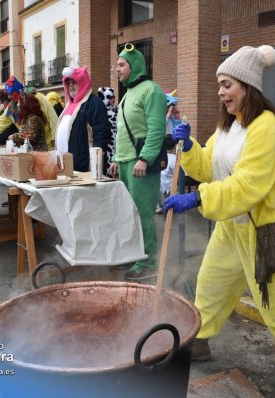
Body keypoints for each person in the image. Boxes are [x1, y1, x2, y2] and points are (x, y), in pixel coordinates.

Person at [163, 45, 275, 397]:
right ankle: (199, 340)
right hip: (232, 227)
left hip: (265, 230)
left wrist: (199, 197)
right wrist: (189, 148)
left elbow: (249, 186)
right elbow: (208, 166)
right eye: (219, 85)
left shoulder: (267, 128)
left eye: (226, 84)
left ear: (247, 86)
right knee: (211, 284)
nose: (220, 92)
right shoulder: (228, 127)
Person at [109, 43, 167, 281]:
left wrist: (145, 158)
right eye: (117, 66)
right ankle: (135, 256)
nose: (117, 70)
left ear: (135, 66)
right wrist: (115, 158)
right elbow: (122, 131)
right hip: (124, 161)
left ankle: (148, 261)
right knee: (128, 214)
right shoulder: (127, 95)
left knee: (143, 214)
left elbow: (156, 129)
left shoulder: (151, 90)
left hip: (140, 163)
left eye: (121, 65)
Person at [55, 66, 110, 172]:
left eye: (74, 82)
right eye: (68, 83)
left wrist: (94, 165)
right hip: (66, 168)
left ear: (83, 82)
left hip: (84, 168)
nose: (70, 86)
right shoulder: (69, 104)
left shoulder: (94, 103)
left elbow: (101, 135)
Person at [0, 76, 58, 149]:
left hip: (47, 147)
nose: (9, 97)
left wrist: (55, 141)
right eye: (8, 95)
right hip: (27, 149)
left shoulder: (37, 98)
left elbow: (53, 118)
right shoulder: (11, 109)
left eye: (10, 94)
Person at [156, 92, 181, 213]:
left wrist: (176, 118)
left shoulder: (171, 117)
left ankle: (168, 202)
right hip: (160, 149)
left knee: (167, 177)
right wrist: (168, 115)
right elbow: (160, 127)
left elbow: (177, 130)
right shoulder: (160, 116)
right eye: (171, 105)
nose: (173, 107)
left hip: (171, 148)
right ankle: (157, 203)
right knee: (159, 177)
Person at [97, 87, 118, 174]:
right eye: (110, 97)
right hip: (107, 143)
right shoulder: (101, 111)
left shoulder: (117, 109)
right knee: (107, 167)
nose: (112, 99)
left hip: (117, 142)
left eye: (114, 97)